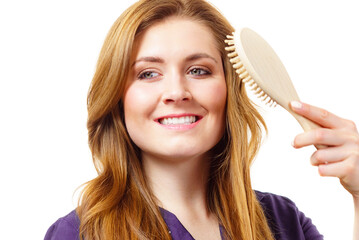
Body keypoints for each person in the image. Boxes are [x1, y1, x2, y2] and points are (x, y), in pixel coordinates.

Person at [44, 0, 359, 239]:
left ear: (229, 91)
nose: (177, 91)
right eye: (148, 73)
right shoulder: (79, 233)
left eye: (198, 70)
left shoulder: (284, 222)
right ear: (117, 98)